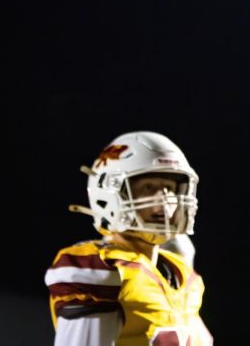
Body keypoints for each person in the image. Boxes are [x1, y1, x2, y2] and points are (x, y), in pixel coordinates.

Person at [45, 131, 213, 346]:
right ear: (111, 192)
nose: (164, 201)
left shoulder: (181, 270)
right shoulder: (103, 269)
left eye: (169, 189)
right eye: (148, 187)